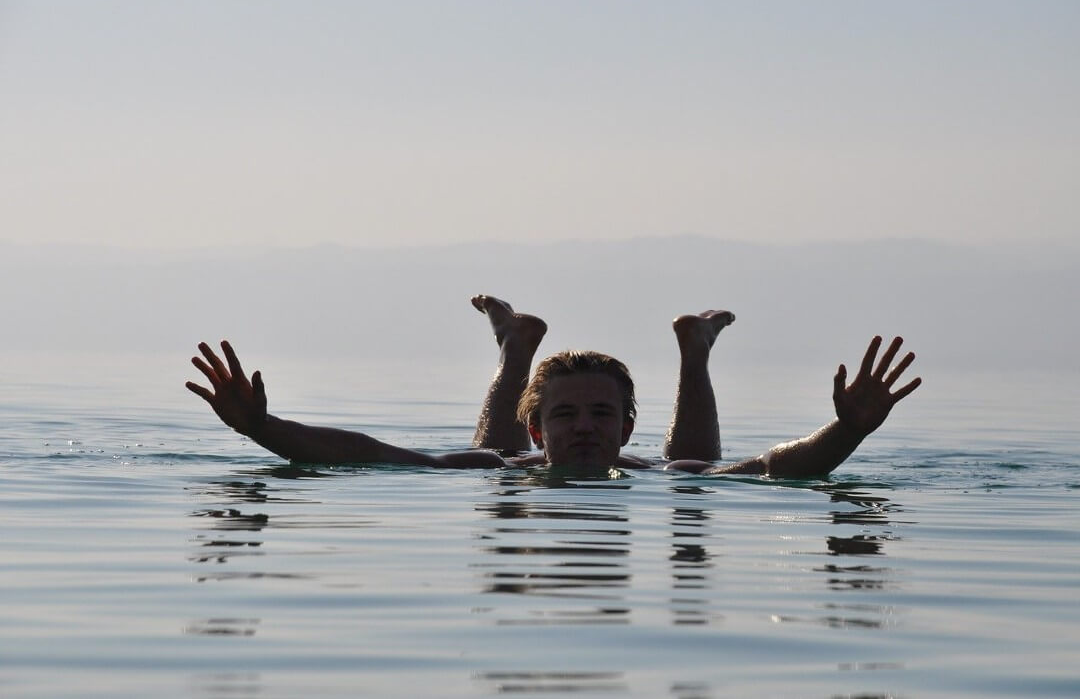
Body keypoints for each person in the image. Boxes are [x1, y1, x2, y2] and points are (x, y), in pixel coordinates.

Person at [186, 295, 920, 477]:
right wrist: (263, 427)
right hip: (510, 476)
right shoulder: (503, 461)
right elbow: (367, 452)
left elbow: (767, 468)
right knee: (492, 476)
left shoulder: (642, 468)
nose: (585, 427)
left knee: (691, 480)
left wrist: (848, 430)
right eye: (565, 416)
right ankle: (518, 350)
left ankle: (692, 350)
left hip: (661, 473)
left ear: (626, 428)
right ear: (538, 431)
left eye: (604, 414)